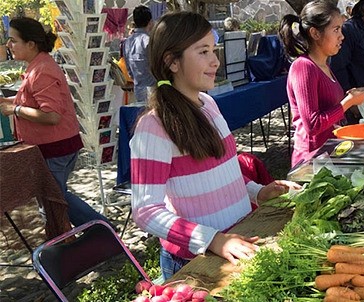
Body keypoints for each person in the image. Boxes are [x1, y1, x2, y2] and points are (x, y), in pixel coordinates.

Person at [129, 11, 300, 280]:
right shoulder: (153, 126)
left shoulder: (208, 104)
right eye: (203, 52)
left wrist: (258, 192)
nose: (215, 61)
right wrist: (212, 240)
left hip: (240, 240)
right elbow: (145, 211)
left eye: (213, 49)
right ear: (172, 62)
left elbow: (224, 171)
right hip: (196, 262)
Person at [0, 17, 111, 227]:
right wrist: (10, 102)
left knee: (55, 202)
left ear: (31, 44)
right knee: (54, 199)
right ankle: (96, 235)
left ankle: (104, 233)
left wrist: (14, 109)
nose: (9, 45)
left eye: (13, 40)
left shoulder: (42, 70)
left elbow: (52, 116)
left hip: (55, 149)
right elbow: (35, 102)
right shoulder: (37, 66)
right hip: (53, 148)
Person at [279, 1, 364, 167]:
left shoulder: (325, 66)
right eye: (336, 29)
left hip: (330, 154)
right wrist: (348, 102)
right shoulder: (303, 67)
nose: (341, 36)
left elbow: (328, 107)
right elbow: (313, 125)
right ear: (315, 33)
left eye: (341, 29)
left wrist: (351, 99)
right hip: (311, 161)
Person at [122, 5, 155, 104]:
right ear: (150, 22)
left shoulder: (127, 42)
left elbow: (129, 69)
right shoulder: (149, 41)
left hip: (138, 88)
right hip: (152, 88)